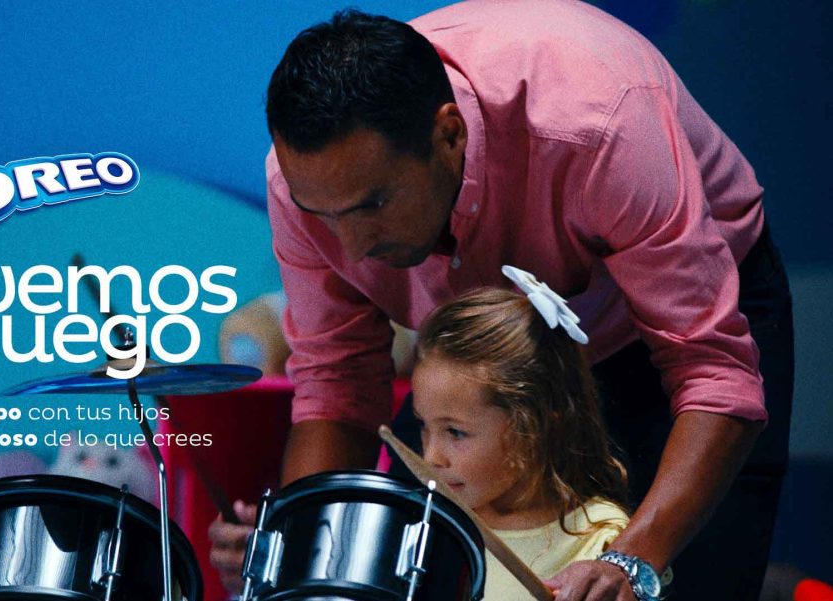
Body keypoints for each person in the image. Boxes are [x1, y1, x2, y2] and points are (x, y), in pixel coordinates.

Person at [210, 4, 794, 600]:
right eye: (323, 216)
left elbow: (712, 372)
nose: (353, 249)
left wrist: (633, 561)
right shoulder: (306, 184)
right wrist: (294, 553)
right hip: (489, 364)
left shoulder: (598, 124)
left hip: (674, 330)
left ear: (449, 135)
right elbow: (338, 385)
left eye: (373, 205)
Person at [413, 280, 639, 600]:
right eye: (423, 425)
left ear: (537, 429)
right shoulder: (430, 523)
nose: (431, 456)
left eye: (455, 432)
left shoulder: (603, 540)